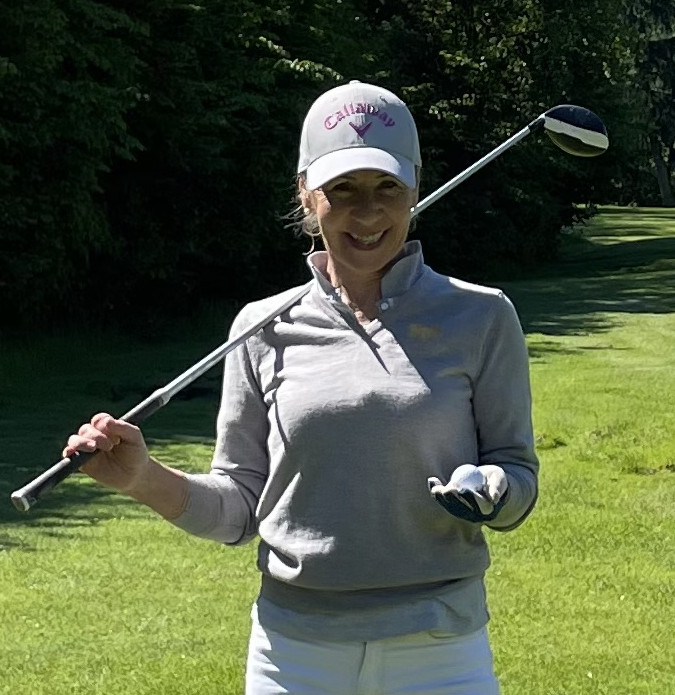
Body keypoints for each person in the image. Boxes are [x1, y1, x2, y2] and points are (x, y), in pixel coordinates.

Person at [64, 80, 539, 694]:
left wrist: (495, 491)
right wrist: (142, 478)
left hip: (442, 651)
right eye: (342, 189)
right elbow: (240, 508)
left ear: (415, 189)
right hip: (294, 657)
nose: (367, 212)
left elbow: (517, 473)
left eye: (386, 187)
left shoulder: (482, 316)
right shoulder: (261, 328)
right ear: (307, 194)